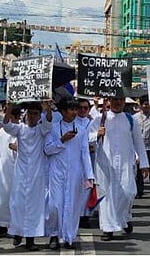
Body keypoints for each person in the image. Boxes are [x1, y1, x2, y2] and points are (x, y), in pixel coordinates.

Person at [90, 95, 150, 241]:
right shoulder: (100, 119)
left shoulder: (130, 120)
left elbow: (138, 142)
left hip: (125, 163)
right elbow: (87, 137)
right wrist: (96, 134)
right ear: (109, 101)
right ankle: (108, 228)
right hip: (105, 163)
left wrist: (144, 163)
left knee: (128, 192)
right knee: (106, 196)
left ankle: (124, 218)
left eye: (121, 100)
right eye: (115, 99)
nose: (118, 102)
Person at [44, 97, 95, 250]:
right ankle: (53, 234)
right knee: (54, 205)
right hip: (57, 173)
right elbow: (47, 149)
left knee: (72, 206)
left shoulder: (81, 130)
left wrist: (89, 175)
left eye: (76, 109)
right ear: (63, 111)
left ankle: (69, 237)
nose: (74, 113)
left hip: (75, 173)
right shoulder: (53, 128)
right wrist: (62, 140)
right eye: (71, 110)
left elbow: (85, 153)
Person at [2, 100, 53, 251]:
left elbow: (49, 121)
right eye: (30, 113)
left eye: (35, 114)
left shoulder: (41, 130)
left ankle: (30, 239)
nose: (32, 116)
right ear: (26, 114)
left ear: (39, 116)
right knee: (17, 204)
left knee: (34, 207)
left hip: (37, 174)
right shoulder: (20, 129)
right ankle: (18, 232)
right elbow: (6, 125)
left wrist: (48, 109)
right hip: (21, 172)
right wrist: (10, 108)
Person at [0, 105, 21, 239]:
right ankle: (0, 226)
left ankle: (14, 227)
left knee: (14, 199)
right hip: (3, 167)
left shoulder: (22, 130)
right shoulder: (2, 131)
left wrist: (18, 148)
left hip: (17, 169)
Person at [76, 98, 98, 228]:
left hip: (91, 158)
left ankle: (86, 215)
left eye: (85, 108)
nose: (83, 110)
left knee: (88, 187)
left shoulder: (92, 122)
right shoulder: (73, 123)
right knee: (77, 187)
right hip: (77, 159)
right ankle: (77, 214)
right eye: (80, 108)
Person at [133, 96, 150, 199]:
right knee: (139, 170)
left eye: (148, 104)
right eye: (145, 104)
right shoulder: (135, 117)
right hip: (138, 147)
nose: (147, 106)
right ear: (140, 105)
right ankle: (139, 191)